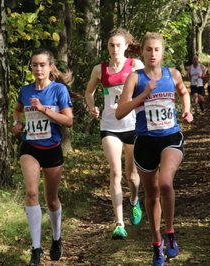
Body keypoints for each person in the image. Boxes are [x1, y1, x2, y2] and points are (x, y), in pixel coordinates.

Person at [115, 32, 193, 266]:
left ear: (162, 52)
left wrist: (187, 110)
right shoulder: (134, 78)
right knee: (151, 196)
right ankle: (156, 242)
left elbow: (183, 91)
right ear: (143, 52)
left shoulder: (173, 74)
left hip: (170, 137)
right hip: (145, 141)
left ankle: (169, 232)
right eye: (148, 49)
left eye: (157, 50)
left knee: (165, 183)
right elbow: (120, 112)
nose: (152, 53)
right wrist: (144, 94)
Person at [12, 48, 74, 266]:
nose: (38, 69)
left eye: (42, 65)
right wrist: (16, 123)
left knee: (51, 200)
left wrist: (45, 110)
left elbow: (68, 121)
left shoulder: (58, 90)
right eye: (34, 65)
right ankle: (36, 249)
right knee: (31, 193)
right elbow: (18, 109)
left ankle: (56, 238)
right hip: (30, 147)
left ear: (51, 67)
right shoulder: (25, 90)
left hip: (52, 148)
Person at [85, 28, 144, 240]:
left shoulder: (135, 65)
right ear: (107, 47)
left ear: (126, 46)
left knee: (132, 176)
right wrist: (92, 107)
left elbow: (147, 88)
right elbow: (89, 92)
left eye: (119, 45)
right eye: (111, 45)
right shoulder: (99, 70)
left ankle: (134, 202)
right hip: (110, 126)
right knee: (115, 173)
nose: (115, 49)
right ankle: (119, 223)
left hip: (133, 125)